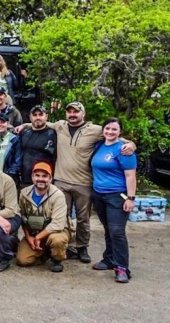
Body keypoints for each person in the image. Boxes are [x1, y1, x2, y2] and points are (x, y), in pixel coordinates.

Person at [18, 101, 135, 263]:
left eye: (76, 112)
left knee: (83, 218)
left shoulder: (95, 130)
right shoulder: (60, 126)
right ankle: (63, 247)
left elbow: (113, 136)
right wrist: (23, 125)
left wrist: (131, 144)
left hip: (83, 182)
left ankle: (82, 247)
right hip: (61, 181)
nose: (72, 115)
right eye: (70, 112)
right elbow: (40, 123)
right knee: (61, 217)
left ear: (83, 114)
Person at [90, 118, 137, 283]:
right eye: (107, 128)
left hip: (117, 196)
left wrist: (130, 198)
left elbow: (130, 175)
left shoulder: (124, 150)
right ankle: (109, 259)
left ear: (120, 132)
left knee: (117, 231)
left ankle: (122, 267)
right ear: (103, 130)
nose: (110, 132)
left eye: (114, 129)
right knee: (108, 229)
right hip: (98, 194)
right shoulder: (99, 146)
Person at [16, 162, 69, 273]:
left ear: (50, 178)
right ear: (32, 177)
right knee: (22, 260)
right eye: (37, 175)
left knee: (57, 240)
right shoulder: (24, 193)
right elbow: (22, 218)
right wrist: (28, 237)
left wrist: (38, 237)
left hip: (55, 232)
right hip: (34, 231)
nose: (40, 179)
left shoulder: (58, 195)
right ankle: (44, 253)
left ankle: (56, 259)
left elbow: (58, 224)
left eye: (44, 176)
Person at [18, 105, 56, 187]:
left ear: (46, 117)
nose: (38, 117)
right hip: (25, 179)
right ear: (30, 117)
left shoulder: (54, 133)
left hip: (44, 180)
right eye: (35, 115)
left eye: (40, 115)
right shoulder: (24, 132)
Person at [0, 112, 21, 183]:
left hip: (8, 178)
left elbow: (17, 161)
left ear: (8, 123)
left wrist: (9, 175)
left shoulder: (14, 139)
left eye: (2, 122)